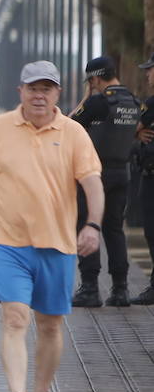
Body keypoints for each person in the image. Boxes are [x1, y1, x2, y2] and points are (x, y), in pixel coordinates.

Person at [0, 60, 103, 392]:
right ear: (19, 91)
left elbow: (93, 185)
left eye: (47, 89)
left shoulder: (72, 133)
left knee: (51, 326)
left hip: (58, 246)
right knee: (15, 317)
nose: (39, 95)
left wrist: (93, 226)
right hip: (9, 244)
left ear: (58, 94)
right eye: (32, 88)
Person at [69, 56, 139, 308]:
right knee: (114, 229)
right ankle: (120, 290)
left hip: (96, 174)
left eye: (91, 81)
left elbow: (69, 124)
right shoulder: (132, 101)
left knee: (89, 224)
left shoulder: (99, 101)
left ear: (95, 78)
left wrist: (87, 96)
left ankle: (90, 288)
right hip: (123, 173)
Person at [134, 53, 154, 306]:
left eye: (150, 70)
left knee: (151, 230)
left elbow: (131, 126)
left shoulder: (151, 103)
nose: (147, 74)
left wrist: (138, 131)